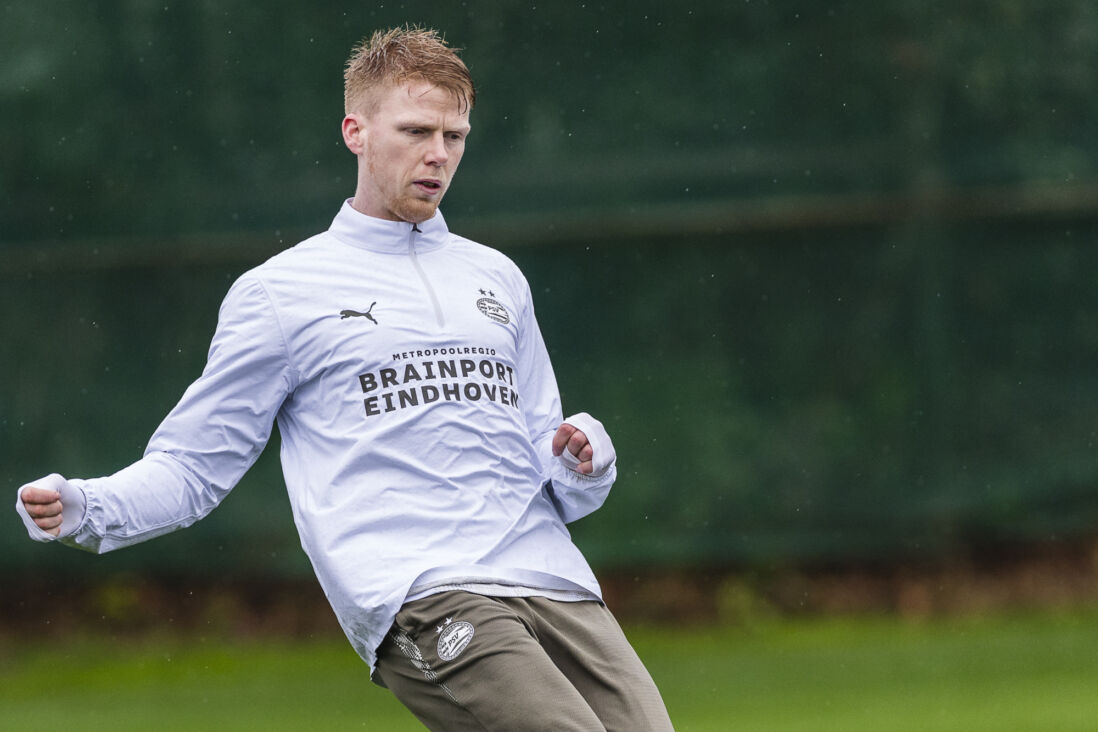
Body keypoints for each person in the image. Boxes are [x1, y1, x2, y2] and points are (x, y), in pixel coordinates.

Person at [15, 26, 674, 731]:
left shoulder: (497, 278)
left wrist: (584, 459)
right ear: (355, 131)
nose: (438, 155)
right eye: (417, 130)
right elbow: (193, 468)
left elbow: (547, 458)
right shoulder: (282, 292)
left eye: (455, 136)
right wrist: (88, 506)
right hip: (423, 590)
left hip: (554, 578)